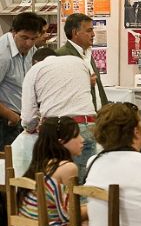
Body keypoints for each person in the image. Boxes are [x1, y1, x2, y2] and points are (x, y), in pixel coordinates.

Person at [21, 47, 98, 179]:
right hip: (89, 125)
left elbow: (28, 117)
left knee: (60, 184)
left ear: (35, 61)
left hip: (60, 132)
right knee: (86, 182)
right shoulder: (79, 62)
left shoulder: (35, 69)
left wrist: (31, 128)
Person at [16, 117, 84, 226]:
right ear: (61, 142)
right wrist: (95, 208)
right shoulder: (67, 168)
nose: (82, 139)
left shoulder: (42, 164)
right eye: (76, 135)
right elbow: (69, 214)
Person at [0, 11, 41, 146]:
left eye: (33, 38)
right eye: (24, 37)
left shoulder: (32, 49)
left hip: (23, 117)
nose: (29, 43)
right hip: (6, 120)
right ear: (13, 32)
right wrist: (11, 116)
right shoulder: (3, 54)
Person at [55, 13, 108, 111]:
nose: (93, 34)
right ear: (75, 33)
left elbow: (97, 88)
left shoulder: (88, 54)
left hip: (96, 116)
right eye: (89, 30)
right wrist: (85, 82)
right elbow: (59, 90)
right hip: (77, 118)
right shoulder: (62, 55)